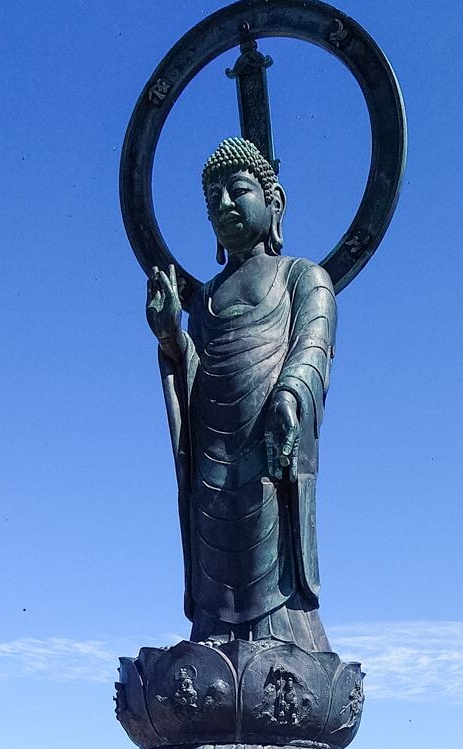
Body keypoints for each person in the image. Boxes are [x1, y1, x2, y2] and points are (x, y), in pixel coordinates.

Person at [145, 137, 335, 652]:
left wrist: (290, 397)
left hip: (270, 458)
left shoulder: (304, 279)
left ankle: (285, 648)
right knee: (212, 606)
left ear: (275, 203)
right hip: (213, 464)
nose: (225, 206)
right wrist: (171, 337)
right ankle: (212, 646)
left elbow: (312, 349)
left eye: (238, 190)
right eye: (212, 201)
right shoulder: (203, 299)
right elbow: (195, 376)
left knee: (274, 609)